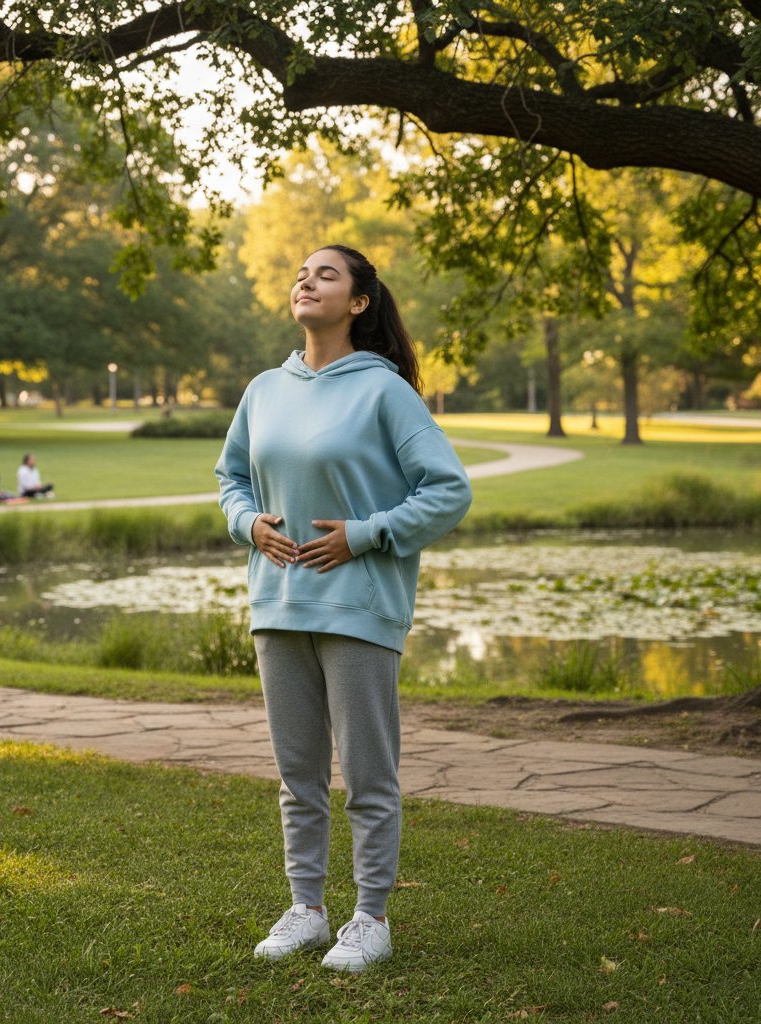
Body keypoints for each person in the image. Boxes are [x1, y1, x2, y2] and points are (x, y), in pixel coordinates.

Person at [215, 244, 472, 973]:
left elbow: (448, 489)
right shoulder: (264, 389)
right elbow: (231, 476)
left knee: (366, 775)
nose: (307, 279)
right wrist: (249, 524)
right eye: (301, 271)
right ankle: (306, 909)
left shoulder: (385, 391)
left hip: (358, 606)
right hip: (279, 602)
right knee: (297, 775)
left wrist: (366, 535)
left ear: (359, 302)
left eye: (326, 273)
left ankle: (371, 918)